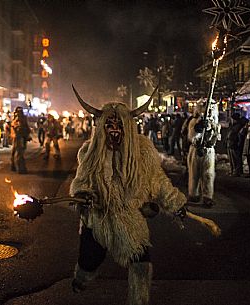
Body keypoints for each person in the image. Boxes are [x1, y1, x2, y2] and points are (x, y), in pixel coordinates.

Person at [70, 87, 187, 305]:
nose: (114, 131)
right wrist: (83, 196)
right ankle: (81, 278)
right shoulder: (89, 152)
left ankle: (138, 301)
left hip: (129, 219)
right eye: (109, 126)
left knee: (141, 263)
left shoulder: (142, 152)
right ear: (101, 128)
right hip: (98, 218)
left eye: (119, 126)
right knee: (89, 260)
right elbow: (81, 182)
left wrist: (175, 203)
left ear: (129, 128)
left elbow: (158, 181)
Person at [186, 99, 221, 207]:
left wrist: (211, 132)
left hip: (208, 150)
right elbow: (191, 136)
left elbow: (216, 137)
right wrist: (198, 128)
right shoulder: (194, 121)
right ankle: (193, 194)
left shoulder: (215, 124)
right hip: (196, 149)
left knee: (209, 174)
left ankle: (207, 196)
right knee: (194, 173)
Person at [10, 108, 31, 174]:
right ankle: (20, 168)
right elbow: (16, 128)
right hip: (18, 137)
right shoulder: (16, 119)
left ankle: (15, 166)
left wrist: (27, 134)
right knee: (19, 153)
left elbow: (26, 128)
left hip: (21, 137)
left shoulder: (21, 119)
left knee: (17, 152)